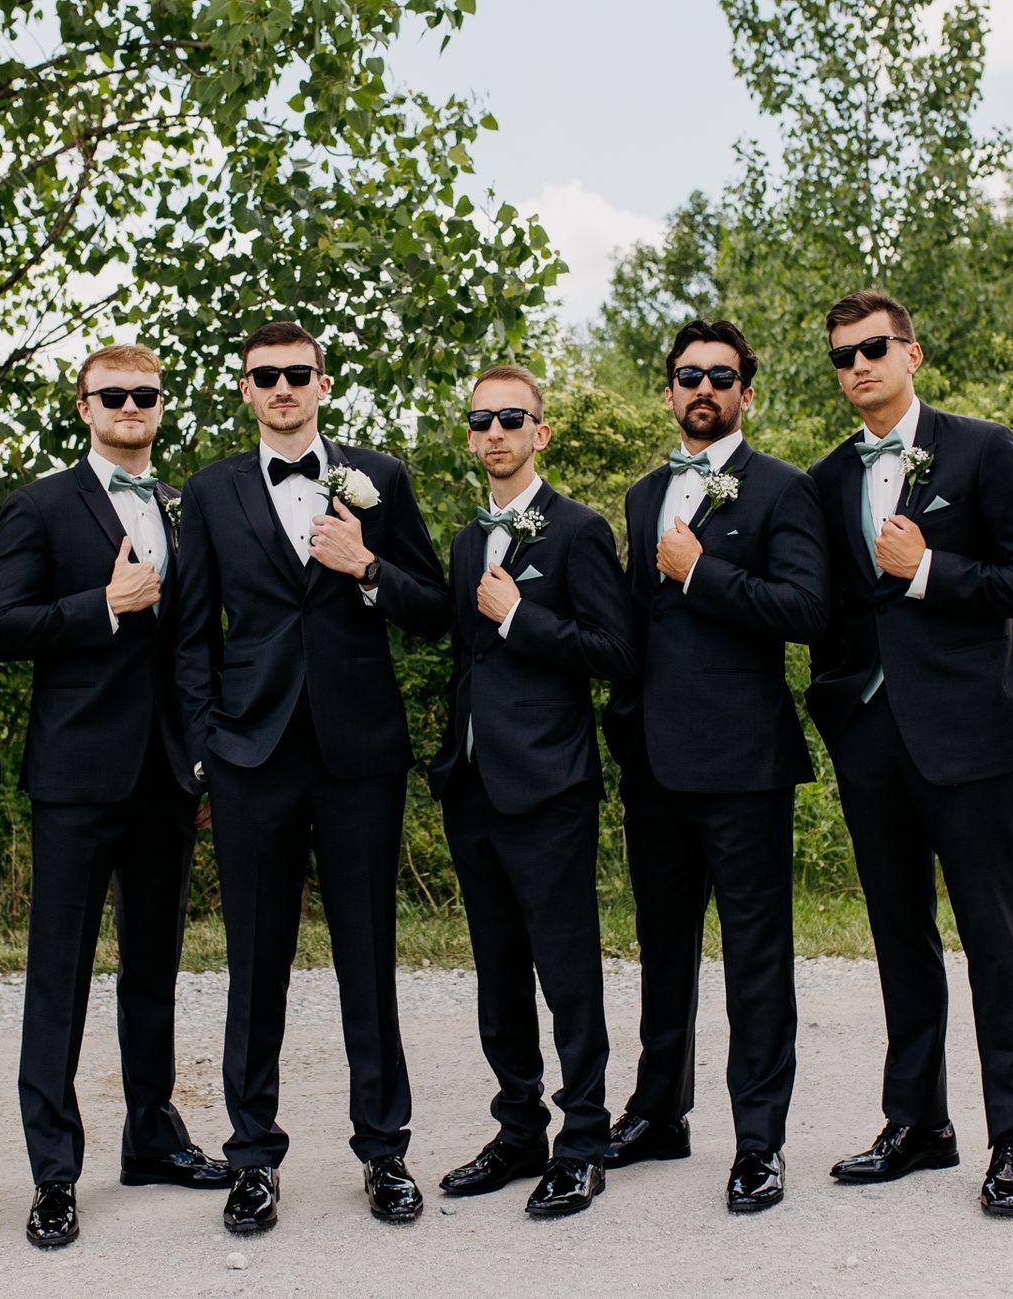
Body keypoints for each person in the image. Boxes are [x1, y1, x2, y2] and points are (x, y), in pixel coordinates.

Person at [171, 320, 451, 1232]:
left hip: (358, 753)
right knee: (255, 963)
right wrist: (208, 745)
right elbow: (191, 634)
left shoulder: (382, 476)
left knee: (368, 955)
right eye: (265, 376)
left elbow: (435, 608)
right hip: (250, 754)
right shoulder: (208, 490)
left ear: (323, 384)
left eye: (297, 373)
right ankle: (252, 1157)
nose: (282, 388)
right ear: (245, 389)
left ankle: (384, 1150)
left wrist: (366, 566)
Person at [804, 290, 1013, 1217]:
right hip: (870, 738)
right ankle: (918, 1124)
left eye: (873, 348)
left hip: (970, 735)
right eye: (843, 356)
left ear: (911, 354)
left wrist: (925, 570)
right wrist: (838, 708)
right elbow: (826, 608)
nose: (858, 366)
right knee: (898, 935)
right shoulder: (826, 477)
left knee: (994, 938)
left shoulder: (982, 449)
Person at [0, 344, 231, 1250]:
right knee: (60, 975)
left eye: (145, 394)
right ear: (84, 406)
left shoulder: (184, 504)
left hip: (165, 773)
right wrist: (105, 604)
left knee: (153, 968)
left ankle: (151, 1136)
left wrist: (204, 757)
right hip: (77, 775)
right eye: (113, 394)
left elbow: (198, 643)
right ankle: (54, 1172)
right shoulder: (41, 504)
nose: (131, 405)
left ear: (161, 405)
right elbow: (0, 625)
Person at [600, 320, 828, 1212]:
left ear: (746, 393)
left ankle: (760, 1140)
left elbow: (806, 609)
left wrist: (702, 574)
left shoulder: (783, 488)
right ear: (668, 390)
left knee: (755, 958)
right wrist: (622, 724)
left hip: (745, 766)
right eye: (689, 374)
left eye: (721, 376)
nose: (704, 388)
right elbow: (634, 622)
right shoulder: (642, 494)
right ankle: (660, 1111)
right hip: (655, 765)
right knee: (664, 947)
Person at [428, 365, 636, 1218]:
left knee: (566, 969)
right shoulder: (464, 540)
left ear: (540, 432)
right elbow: (465, 658)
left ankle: (583, 1139)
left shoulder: (579, 530)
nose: (495, 433)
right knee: (499, 971)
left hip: (549, 785)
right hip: (473, 784)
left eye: (511, 418)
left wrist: (520, 615)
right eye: (481, 420)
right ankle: (519, 1130)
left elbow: (616, 652)